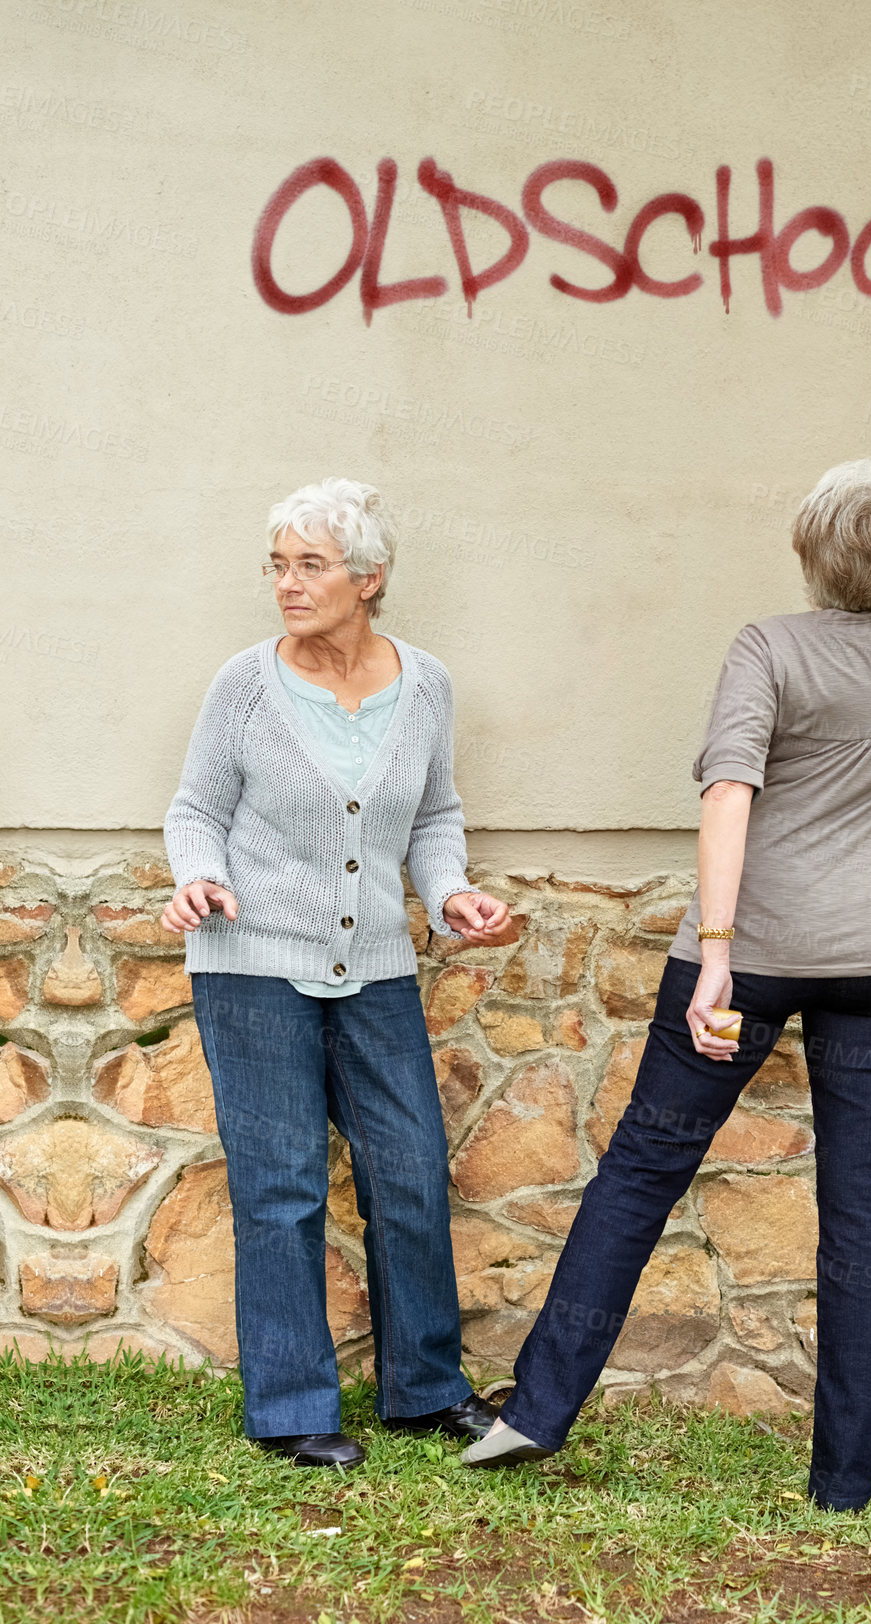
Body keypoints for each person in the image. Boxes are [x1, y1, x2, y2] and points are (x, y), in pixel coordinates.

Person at [465, 316, 871, 1509]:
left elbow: (727, 788)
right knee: (865, 1207)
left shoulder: (767, 648)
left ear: (805, 552)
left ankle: (534, 1412)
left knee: (642, 1168)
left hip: (758, 951)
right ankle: (845, 1479)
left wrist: (719, 956)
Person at [161, 477, 512, 1468]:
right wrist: (200, 878)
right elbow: (194, 809)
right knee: (281, 1187)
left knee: (409, 1172)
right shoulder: (244, 683)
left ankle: (427, 1392)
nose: (287, 583)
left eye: (309, 564)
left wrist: (449, 897)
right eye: (277, 564)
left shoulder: (427, 683)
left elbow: (435, 816)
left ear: (369, 576)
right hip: (251, 962)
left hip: (378, 967)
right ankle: (292, 1407)